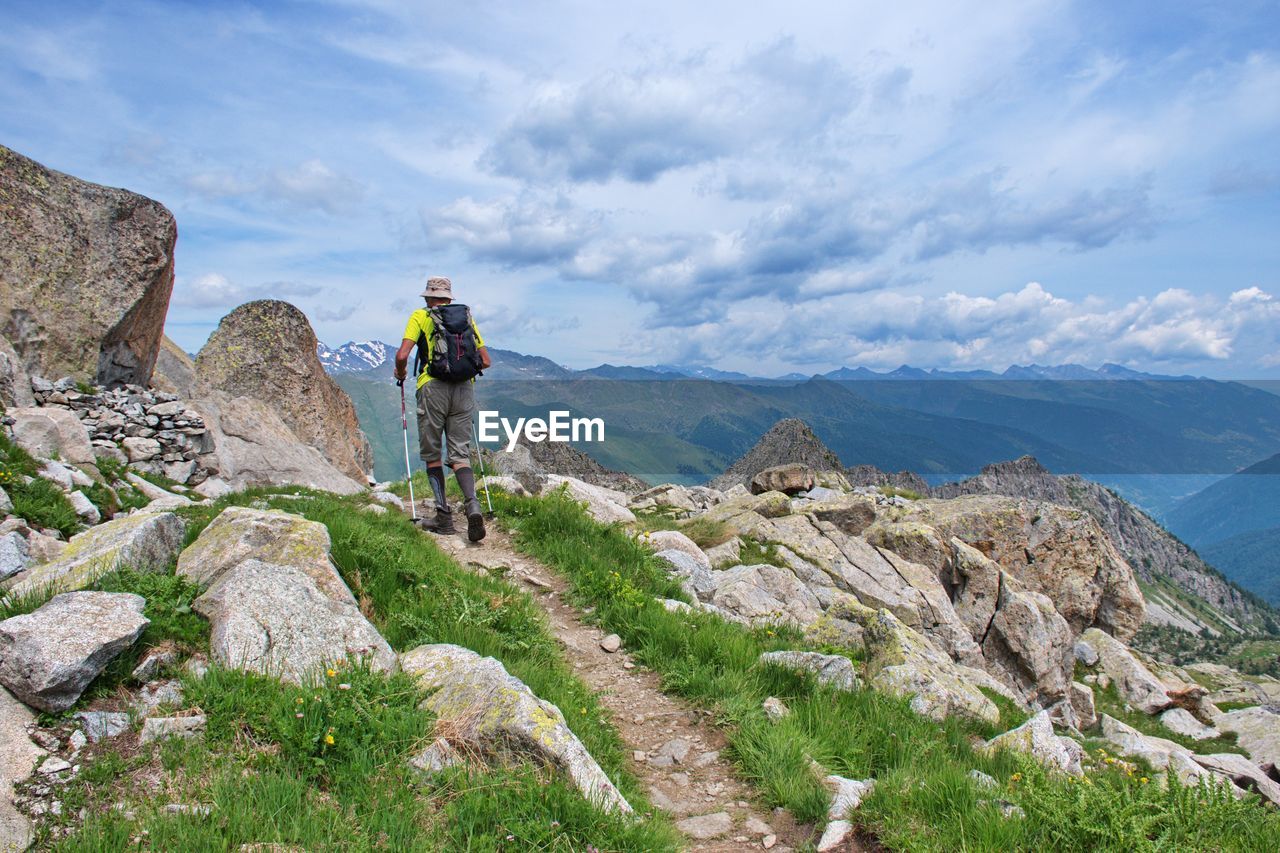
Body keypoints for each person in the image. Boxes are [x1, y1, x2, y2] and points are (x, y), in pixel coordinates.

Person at [393, 276, 492, 540]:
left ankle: (443, 518)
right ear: (450, 298)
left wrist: (401, 373)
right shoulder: (466, 318)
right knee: (460, 453)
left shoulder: (420, 317)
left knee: (433, 452)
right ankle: (472, 505)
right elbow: (485, 360)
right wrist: (461, 372)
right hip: (464, 388)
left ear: (427, 297)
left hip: (432, 388)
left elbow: (403, 355)